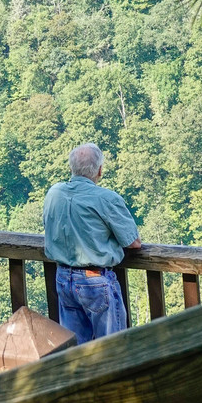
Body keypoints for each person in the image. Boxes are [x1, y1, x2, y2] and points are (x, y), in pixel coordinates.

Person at [43, 143, 141, 343]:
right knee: (111, 348)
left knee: (76, 350)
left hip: (63, 277)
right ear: (99, 170)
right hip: (94, 280)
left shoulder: (54, 193)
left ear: (71, 168)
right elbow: (133, 242)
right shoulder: (106, 198)